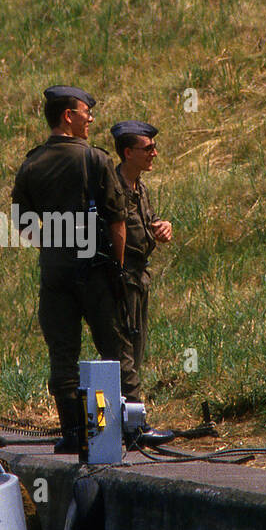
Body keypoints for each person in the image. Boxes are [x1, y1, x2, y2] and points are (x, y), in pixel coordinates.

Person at [11, 86, 171, 453]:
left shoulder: (31, 163)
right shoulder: (95, 160)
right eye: (86, 112)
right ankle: (133, 428)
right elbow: (116, 221)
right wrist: (115, 268)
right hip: (95, 271)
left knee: (62, 354)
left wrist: (55, 246)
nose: (91, 119)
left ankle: (72, 433)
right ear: (68, 116)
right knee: (117, 350)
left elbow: (22, 222)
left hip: (54, 273)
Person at [110, 120, 172, 378]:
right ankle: (126, 409)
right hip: (120, 281)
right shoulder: (113, 189)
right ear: (128, 153)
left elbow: (149, 221)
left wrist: (163, 227)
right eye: (148, 148)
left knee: (136, 350)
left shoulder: (140, 187)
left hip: (139, 279)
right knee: (122, 353)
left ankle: (131, 408)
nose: (154, 154)